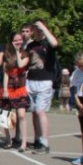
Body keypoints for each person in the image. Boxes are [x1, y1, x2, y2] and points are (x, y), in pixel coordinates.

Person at [24, 19, 59, 154]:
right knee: (34, 111)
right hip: (31, 80)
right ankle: (37, 139)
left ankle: (45, 142)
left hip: (45, 80)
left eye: (40, 29)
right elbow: (25, 61)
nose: (38, 31)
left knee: (40, 111)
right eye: (36, 29)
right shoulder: (31, 45)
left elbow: (55, 43)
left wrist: (44, 28)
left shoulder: (48, 43)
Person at [0, 31, 31, 150]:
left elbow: (21, 65)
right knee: (5, 115)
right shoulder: (7, 54)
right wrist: (5, 90)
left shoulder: (25, 54)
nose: (18, 42)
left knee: (21, 115)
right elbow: (6, 73)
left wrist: (17, 52)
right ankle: (8, 139)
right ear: (11, 41)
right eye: (15, 40)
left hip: (20, 88)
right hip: (9, 87)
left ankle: (24, 143)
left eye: (20, 40)